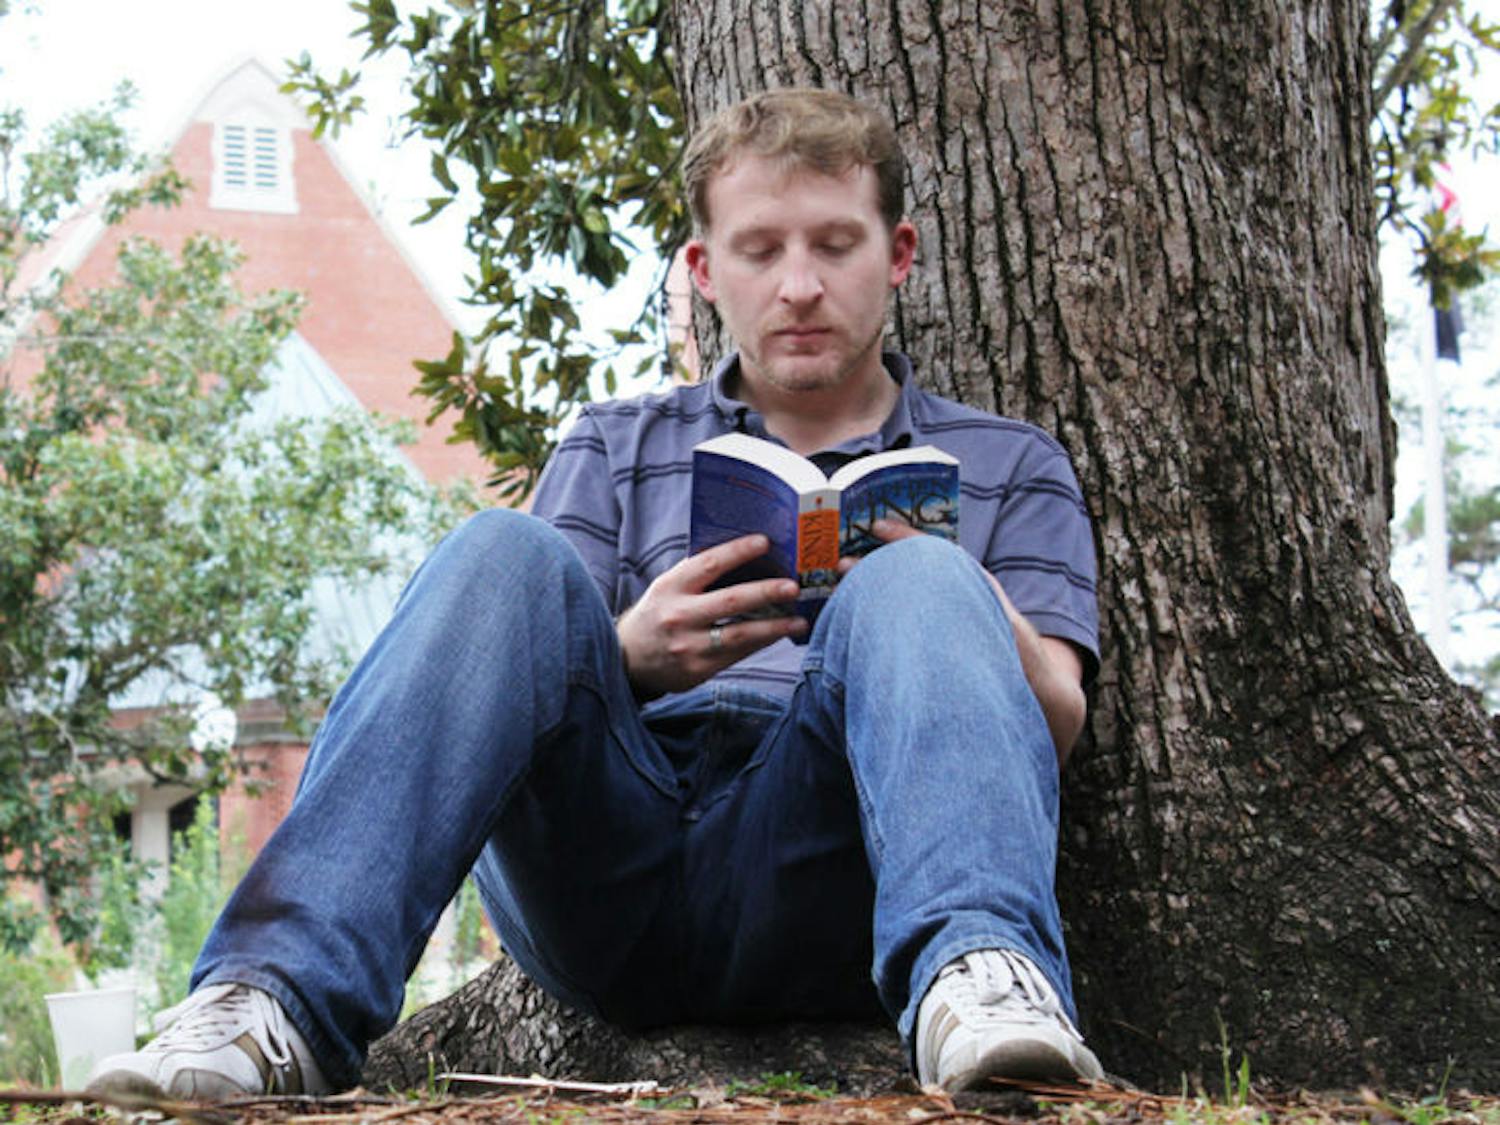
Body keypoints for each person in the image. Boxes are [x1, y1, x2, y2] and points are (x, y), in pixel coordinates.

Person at [87, 87, 1105, 1101]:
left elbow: (1056, 722)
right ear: (706, 271)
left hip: (834, 865)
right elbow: (513, 676)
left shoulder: (1007, 463)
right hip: (610, 862)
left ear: (900, 254)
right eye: (760, 251)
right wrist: (635, 652)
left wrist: (951, 593)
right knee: (502, 552)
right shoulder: (614, 445)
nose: (799, 286)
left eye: (836, 245)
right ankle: (272, 1004)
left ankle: (982, 980)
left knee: (925, 577)